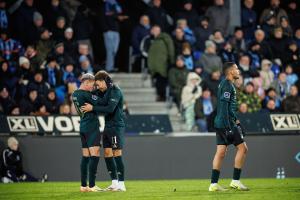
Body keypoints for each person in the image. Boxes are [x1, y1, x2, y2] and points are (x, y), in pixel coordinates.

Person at [81, 71, 126, 192]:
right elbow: (90, 95)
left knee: (117, 153)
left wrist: (93, 108)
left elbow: (110, 109)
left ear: (103, 81)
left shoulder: (115, 91)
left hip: (116, 126)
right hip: (107, 127)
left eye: (98, 84)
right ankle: (114, 182)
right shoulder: (103, 91)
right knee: (107, 153)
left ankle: (122, 184)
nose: (97, 86)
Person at [209, 62, 249, 191]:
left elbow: (227, 109)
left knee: (220, 152)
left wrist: (237, 121)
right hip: (226, 124)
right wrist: (229, 127)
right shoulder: (228, 86)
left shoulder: (224, 84)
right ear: (231, 71)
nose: (238, 71)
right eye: (236, 69)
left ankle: (213, 184)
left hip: (221, 123)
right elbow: (225, 108)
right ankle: (235, 181)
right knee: (243, 149)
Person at [71, 73, 104, 192]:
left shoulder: (75, 94)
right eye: (91, 84)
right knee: (95, 155)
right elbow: (101, 102)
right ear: (86, 82)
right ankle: (92, 185)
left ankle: (83, 185)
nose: (93, 86)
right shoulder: (86, 94)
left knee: (85, 156)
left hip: (83, 125)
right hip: (91, 126)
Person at [147, 25, 175, 101]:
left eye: (153, 29)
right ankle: (160, 95)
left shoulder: (165, 38)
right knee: (158, 82)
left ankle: (162, 96)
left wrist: (172, 61)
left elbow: (171, 49)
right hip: (154, 66)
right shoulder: (151, 40)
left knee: (161, 81)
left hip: (162, 65)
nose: (152, 31)